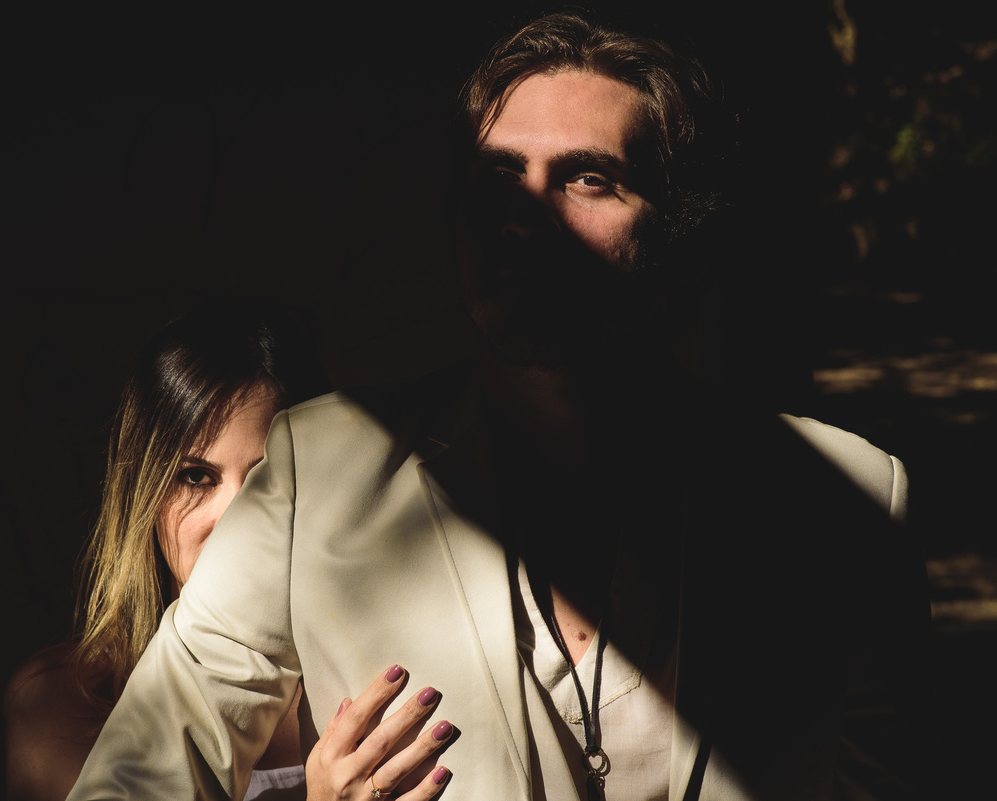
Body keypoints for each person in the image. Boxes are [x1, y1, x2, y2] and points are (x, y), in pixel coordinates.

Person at [67, 13, 927, 801]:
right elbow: (128, 783)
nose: (524, 217)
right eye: (500, 176)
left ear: (678, 233)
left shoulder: (845, 502)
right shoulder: (316, 473)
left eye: (588, 178)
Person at [4, 304, 456, 801]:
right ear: (143, 493)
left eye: (269, 478)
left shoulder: (365, 685)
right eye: (196, 477)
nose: (237, 520)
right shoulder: (67, 703)